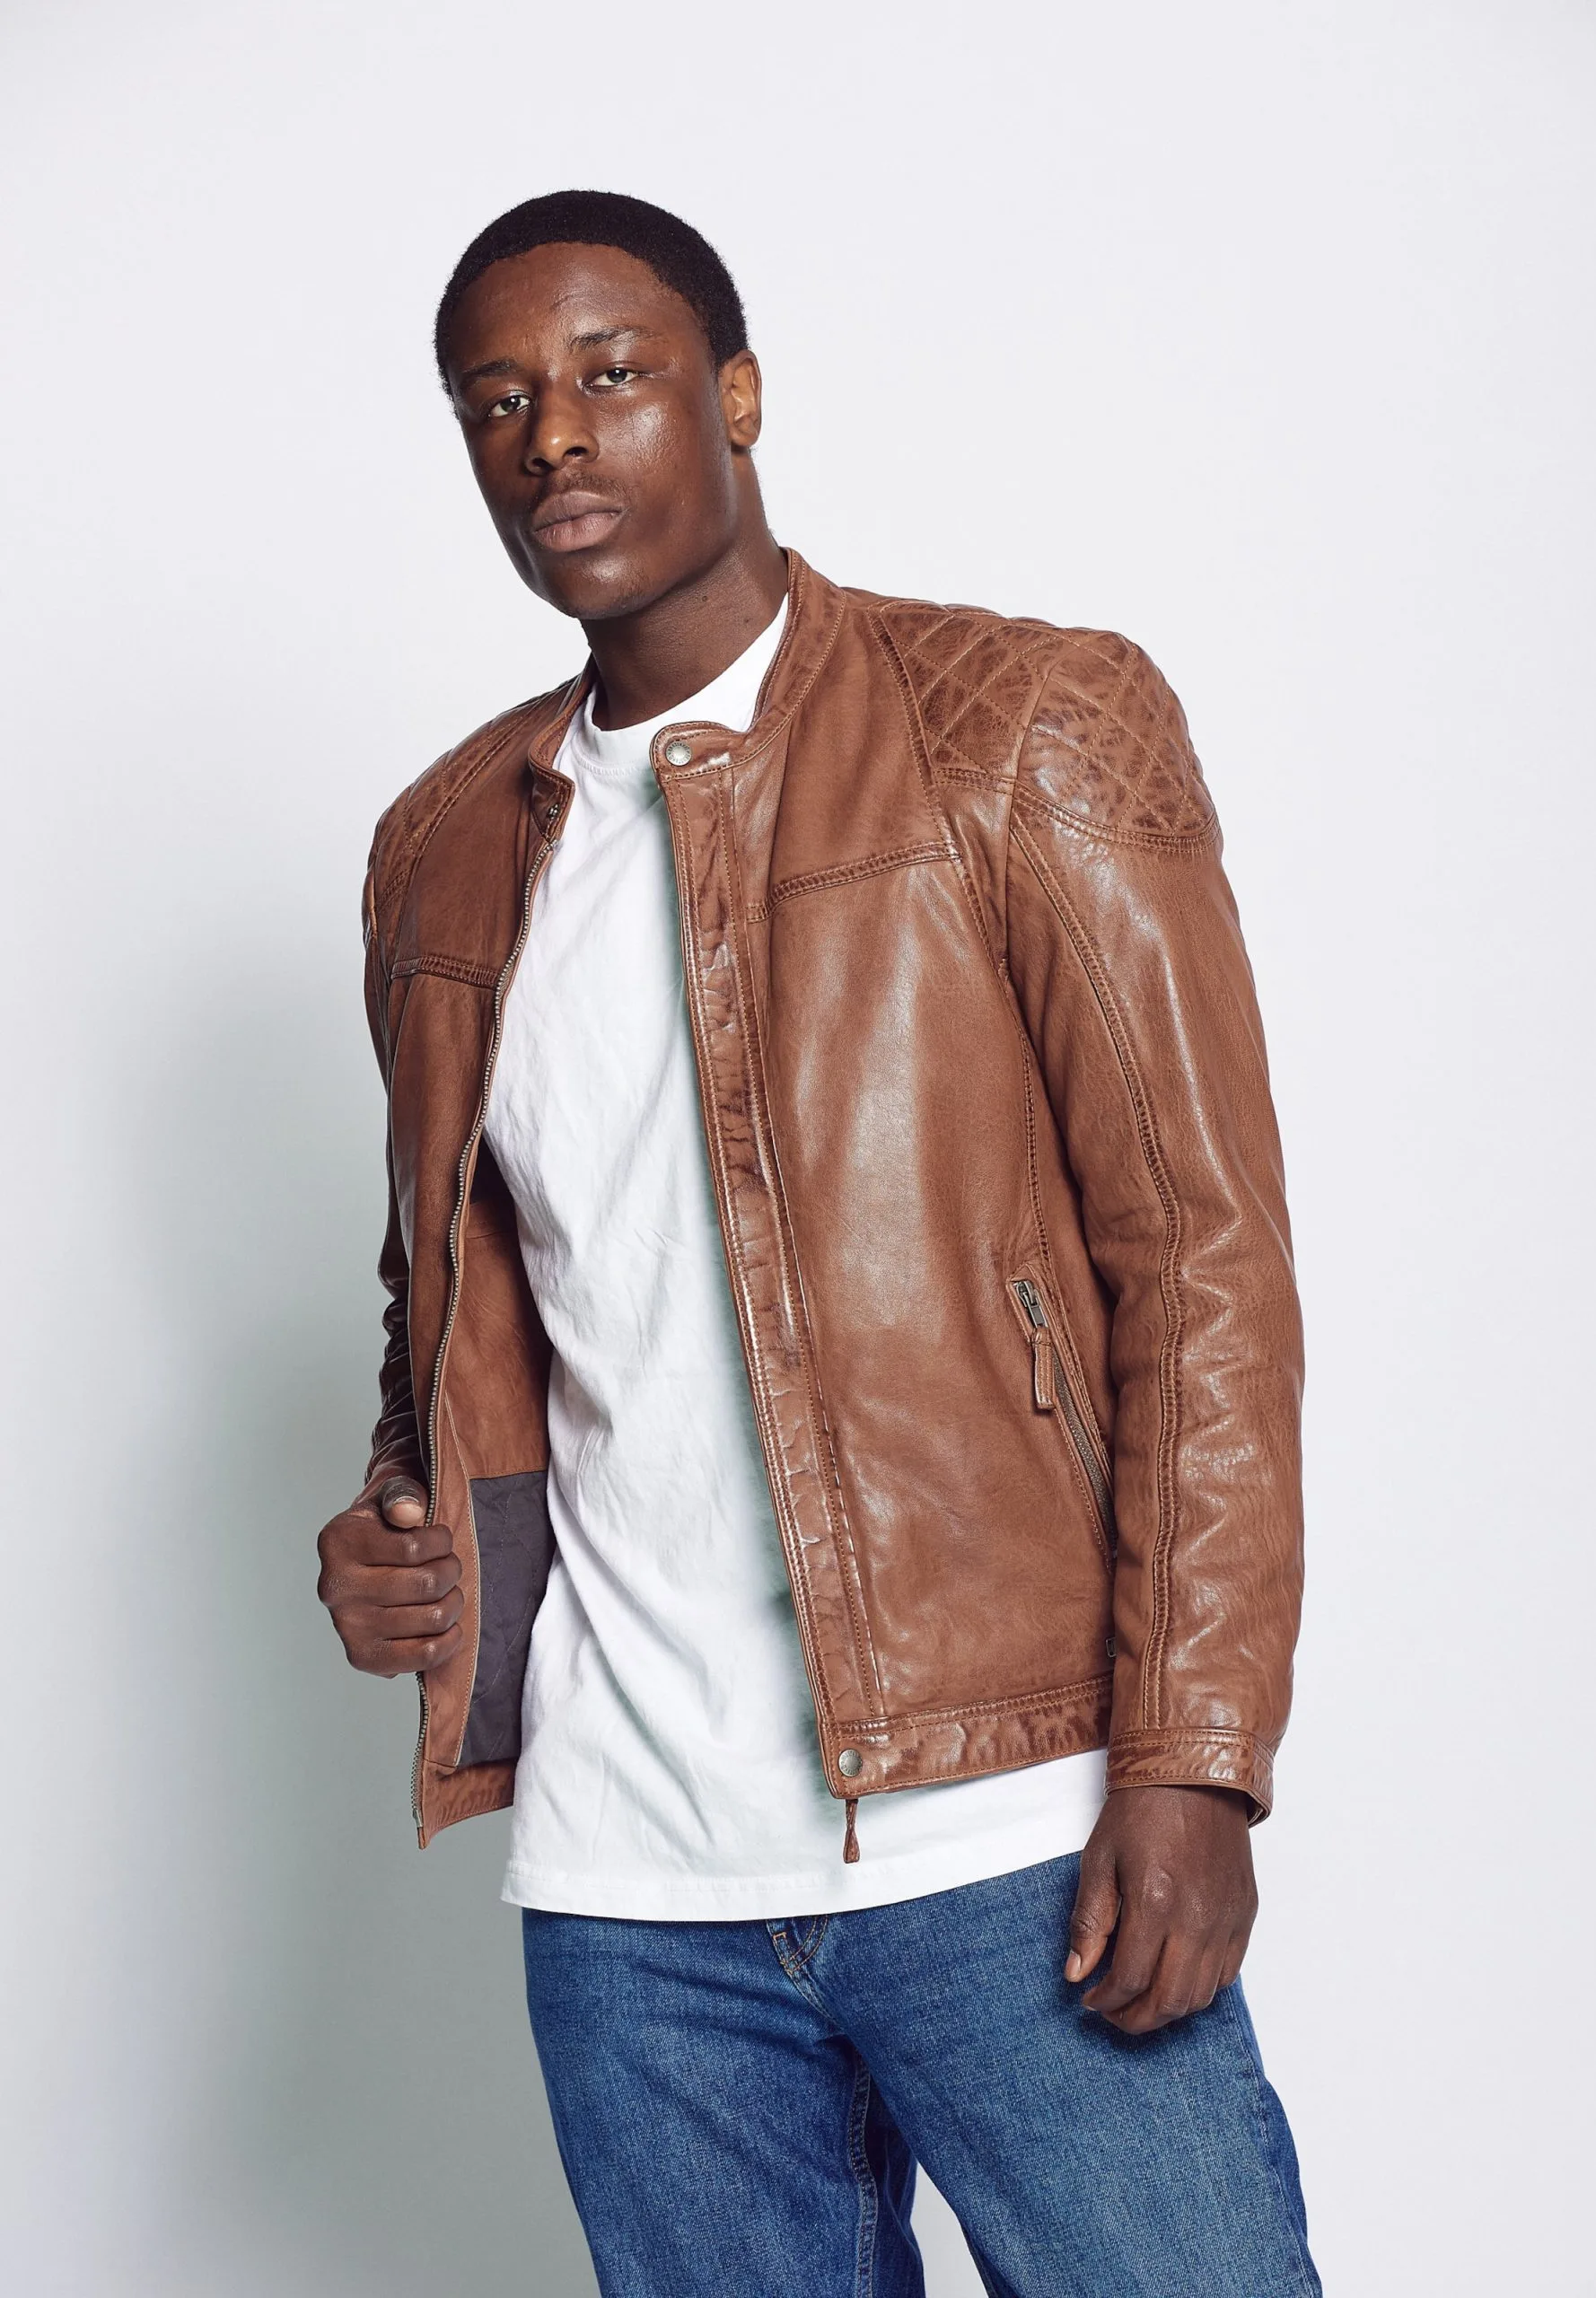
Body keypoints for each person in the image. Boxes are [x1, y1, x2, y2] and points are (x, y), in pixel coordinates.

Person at [315, 189, 1320, 2297]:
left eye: (610, 373)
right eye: (496, 400)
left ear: (738, 394)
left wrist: (1196, 1755)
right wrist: (402, 1517)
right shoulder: (444, 853)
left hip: (1012, 1818)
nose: (551, 436)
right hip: (630, 1888)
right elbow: (463, 1298)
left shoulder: (1018, 724)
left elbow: (1201, 1261)